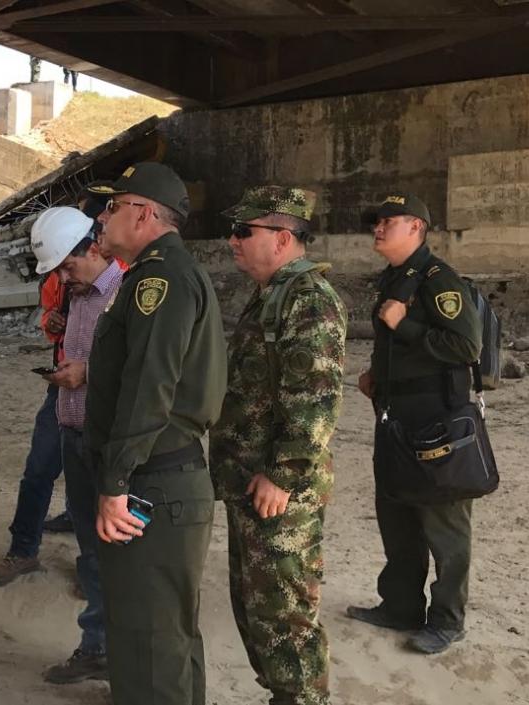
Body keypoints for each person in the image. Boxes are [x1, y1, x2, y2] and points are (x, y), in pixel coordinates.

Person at [86, 162, 226, 705]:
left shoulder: (159, 279)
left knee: (148, 642)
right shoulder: (160, 273)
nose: (103, 216)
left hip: (153, 481)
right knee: (166, 636)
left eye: (114, 206)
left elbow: (150, 385)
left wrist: (115, 482)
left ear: (144, 213)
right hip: (166, 477)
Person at [210, 187, 347, 705]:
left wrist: (283, 474)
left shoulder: (308, 299)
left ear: (283, 238)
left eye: (245, 231)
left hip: (277, 490)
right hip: (252, 480)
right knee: (257, 608)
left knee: (286, 615)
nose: (233, 240)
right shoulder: (272, 294)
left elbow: (315, 398)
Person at [348, 193, 482, 655]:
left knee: (444, 524)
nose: (378, 227)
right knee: (397, 513)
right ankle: (401, 606)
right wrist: (376, 377)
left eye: (390, 221)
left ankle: (447, 620)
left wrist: (404, 325)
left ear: (417, 229)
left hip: (436, 422)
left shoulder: (437, 279)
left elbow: (466, 347)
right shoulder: (395, 277)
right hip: (396, 418)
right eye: (376, 220)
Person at [29, 207, 125, 685]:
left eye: (69, 266)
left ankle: (123, 655)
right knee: (89, 551)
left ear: (95, 247)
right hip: (74, 432)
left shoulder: (128, 295)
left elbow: (146, 371)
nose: (64, 279)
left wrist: (86, 372)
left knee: (118, 554)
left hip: (108, 444)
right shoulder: (80, 296)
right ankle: (97, 646)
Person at [0, 268, 68, 585]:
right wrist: (51, 322)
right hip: (62, 389)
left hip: (104, 392)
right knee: (38, 470)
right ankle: (23, 551)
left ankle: (95, 569)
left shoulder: (122, 277)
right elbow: (49, 318)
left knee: (95, 480)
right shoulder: (57, 278)